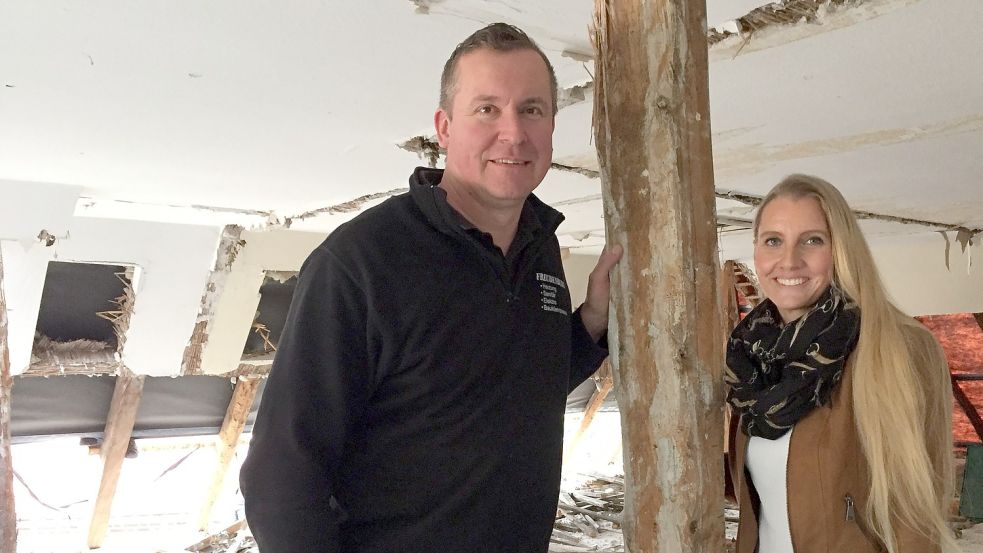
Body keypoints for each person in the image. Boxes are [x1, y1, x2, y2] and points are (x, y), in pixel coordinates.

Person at [239, 23, 622, 553]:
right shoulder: (361, 262)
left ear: (552, 125)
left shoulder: (540, 246)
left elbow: (514, 384)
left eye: (531, 109)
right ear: (444, 127)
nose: (513, 132)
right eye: (487, 109)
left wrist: (591, 323)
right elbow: (281, 476)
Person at [725, 174, 956, 553]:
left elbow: (915, 518)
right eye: (773, 240)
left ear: (841, 248)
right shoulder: (749, 355)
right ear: (756, 250)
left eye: (812, 240)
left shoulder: (897, 346)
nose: (789, 260)